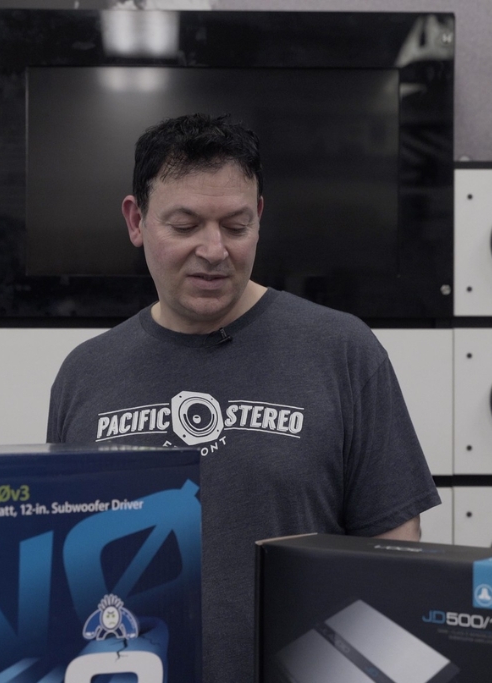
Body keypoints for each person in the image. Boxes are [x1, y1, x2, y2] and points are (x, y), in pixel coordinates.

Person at [47, 113, 440, 683]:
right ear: (136, 220)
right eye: (184, 226)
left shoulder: (342, 350)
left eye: (235, 226)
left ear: (259, 217)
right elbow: (65, 560)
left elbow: (395, 545)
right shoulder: (86, 372)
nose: (214, 250)